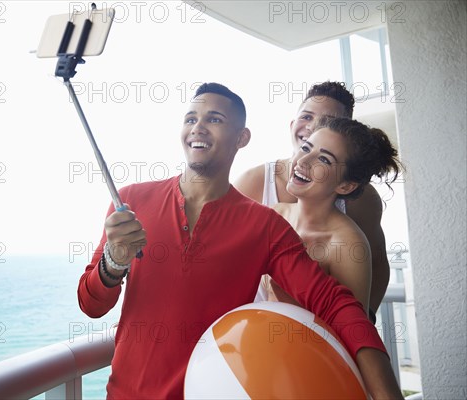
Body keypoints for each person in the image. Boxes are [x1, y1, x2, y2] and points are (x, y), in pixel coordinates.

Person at [77, 83, 402, 399]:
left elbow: (334, 303)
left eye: (214, 119)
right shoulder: (131, 201)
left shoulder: (266, 226)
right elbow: (92, 305)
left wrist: (387, 393)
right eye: (191, 118)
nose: (199, 127)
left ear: (241, 138)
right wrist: (114, 261)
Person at [235, 81, 391, 322]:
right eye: (306, 116)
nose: (311, 127)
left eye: (325, 121)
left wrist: (363, 329)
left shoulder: (356, 218)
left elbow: (377, 264)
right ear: (292, 123)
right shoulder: (260, 194)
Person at [258, 117, 402, 316]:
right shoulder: (273, 215)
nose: (303, 161)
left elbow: (352, 332)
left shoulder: (347, 244)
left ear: (345, 186)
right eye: (307, 148)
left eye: (324, 159)